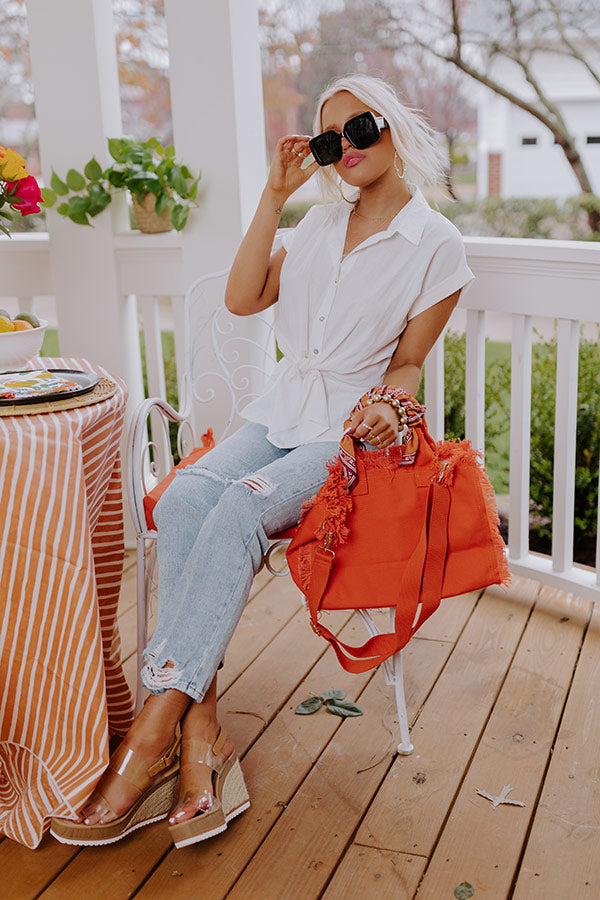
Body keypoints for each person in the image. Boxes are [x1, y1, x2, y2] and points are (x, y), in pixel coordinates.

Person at [50, 73, 473, 849]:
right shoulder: (316, 221)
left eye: (361, 128)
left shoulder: (435, 244)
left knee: (240, 505)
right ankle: (200, 730)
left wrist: (388, 405)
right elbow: (244, 301)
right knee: (181, 501)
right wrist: (274, 198)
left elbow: (410, 360)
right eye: (327, 139)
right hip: (278, 410)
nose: (345, 148)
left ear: (392, 127)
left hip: (342, 433)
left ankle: (152, 735)